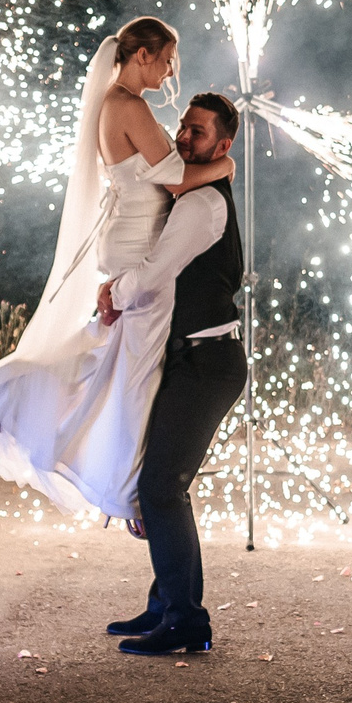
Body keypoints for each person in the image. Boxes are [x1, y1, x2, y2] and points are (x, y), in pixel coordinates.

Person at [0, 18, 232, 521]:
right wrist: (224, 167)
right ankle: (126, 492)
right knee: (136, 380)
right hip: (137, 245)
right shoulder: (128, 105)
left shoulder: (116, 103)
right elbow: (175, 180)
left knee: (111, 366)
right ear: (143, 55)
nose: (171, 72)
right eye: (167, 59)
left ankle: (104, 470)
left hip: (128, 238)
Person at [96, 92, 245, 657]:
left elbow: (156, 274)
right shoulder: (191, 192)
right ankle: (167, 604)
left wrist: (114, 294)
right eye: (183, 126)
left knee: (162, 486)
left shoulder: (202, 204)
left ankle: (186, 621)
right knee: (158, 482)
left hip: (208, 364)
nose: (183, 137)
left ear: (222, 146)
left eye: (197, 132)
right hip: (187, 359)